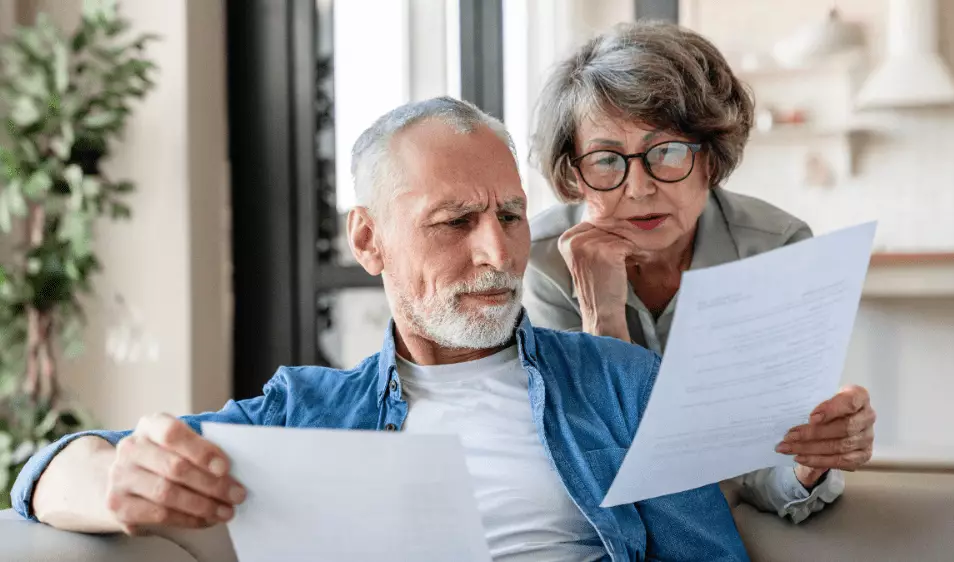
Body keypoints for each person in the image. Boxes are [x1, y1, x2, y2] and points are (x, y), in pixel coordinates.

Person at [12, 97, 749, 561]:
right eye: (455, 222)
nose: (498, 253)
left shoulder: (620, 383)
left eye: (511, 216)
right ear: (368, 242)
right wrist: (118, 482)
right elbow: (43, 471)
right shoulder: (305, 412)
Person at [525, 21, 876, 524]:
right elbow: (590, 469)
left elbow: (762, 465)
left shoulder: (776, 251)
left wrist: (809, 463)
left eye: (666, 152)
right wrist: (602, 320)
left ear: (710, 159)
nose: (639, 188)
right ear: (574, 175)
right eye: (605, 160)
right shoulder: (544, 262)